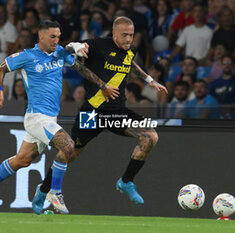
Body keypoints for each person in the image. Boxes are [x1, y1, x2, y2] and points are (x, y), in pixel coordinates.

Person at [0, 20, 119, 214]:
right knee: (68, 146)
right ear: (41, 36)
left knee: (23, 160)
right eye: (52, 36)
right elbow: (1, 68)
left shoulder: (59, 53)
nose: (56, 40)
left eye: (58, 37)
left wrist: (103, 86)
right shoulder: (27, 56)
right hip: (36, 117)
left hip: (50, 118)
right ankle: (55, 192)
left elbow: (81, 69)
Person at [33, 16, 167, 214]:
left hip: (117, 113)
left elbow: (131, 64)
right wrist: (100, 84)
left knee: (150, 137)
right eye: (124, 35)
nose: (129, 39)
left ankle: (126, 182)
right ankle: (43, 190)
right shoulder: (97, 45)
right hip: (93, 112)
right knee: (69, 153)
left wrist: (149, 80)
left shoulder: (130, 50)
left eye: (131, 35)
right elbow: (71, 52)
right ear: (114, 34)